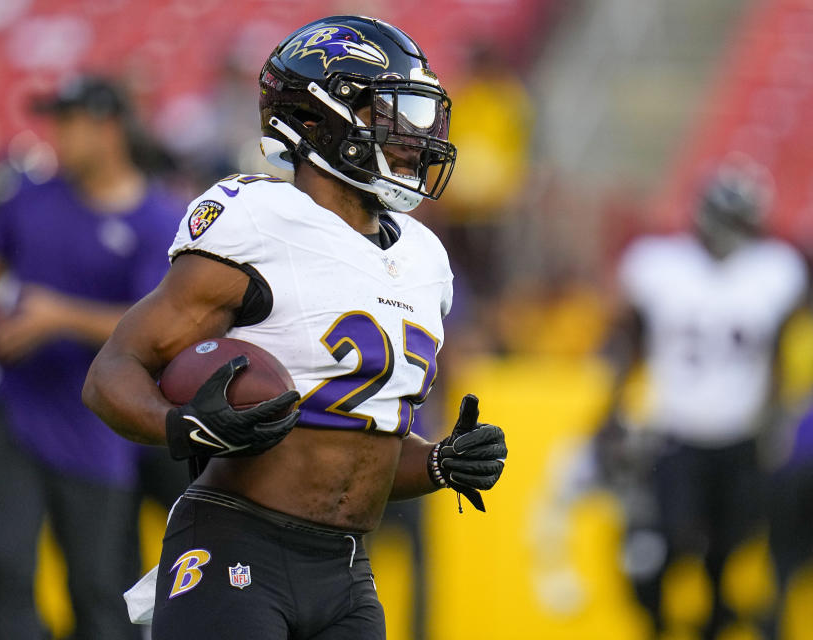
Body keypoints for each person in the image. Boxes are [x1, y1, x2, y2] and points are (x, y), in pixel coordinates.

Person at [83, 15, 508, 639]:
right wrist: (182, 425)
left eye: (416, 116)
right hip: (237, 545)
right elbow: (111, 373)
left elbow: (358, 453)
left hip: (346, 574)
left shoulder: (424, 259)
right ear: (317, 120)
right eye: (387, 111)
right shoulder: (257, 220)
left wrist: (440, 464)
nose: (411, 137)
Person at [0, 74, 182, 640]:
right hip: (16, 409)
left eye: (68, 123)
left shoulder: (158, 221)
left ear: (108, 128)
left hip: (99, 422)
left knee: (97, 587)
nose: (55, 136)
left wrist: (56, 317)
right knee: (7, 566)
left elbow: (156, 328)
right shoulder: (29, 201)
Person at [605, 159, 808, 639]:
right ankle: (657, 626)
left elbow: (778, 351)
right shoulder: (659, 264)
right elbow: (629, 339)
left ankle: (711, 628)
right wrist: (613, 407)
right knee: (661, 548)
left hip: (740, 436)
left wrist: (775, 417)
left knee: (729, 552)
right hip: (672, 433)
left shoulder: (774, 271)